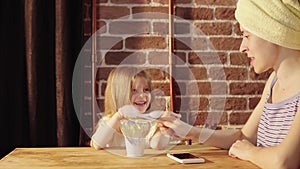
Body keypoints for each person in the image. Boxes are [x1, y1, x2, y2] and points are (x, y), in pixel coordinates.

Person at [160, 0, 300, 168]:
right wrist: (188, 131)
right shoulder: (273, 82)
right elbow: (243, 137)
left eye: (247, 35)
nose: (242, 47)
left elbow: (283, 161)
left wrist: (249, 152)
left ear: (274, 32)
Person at [90, 67, 172, 150]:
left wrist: (164, 130)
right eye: (134, 91)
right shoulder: (110, 121)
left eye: (146, 90)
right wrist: (117, 117)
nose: (142, 96)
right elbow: (97, 144)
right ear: (120, 95)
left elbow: (157, 145)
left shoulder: (151, 122)